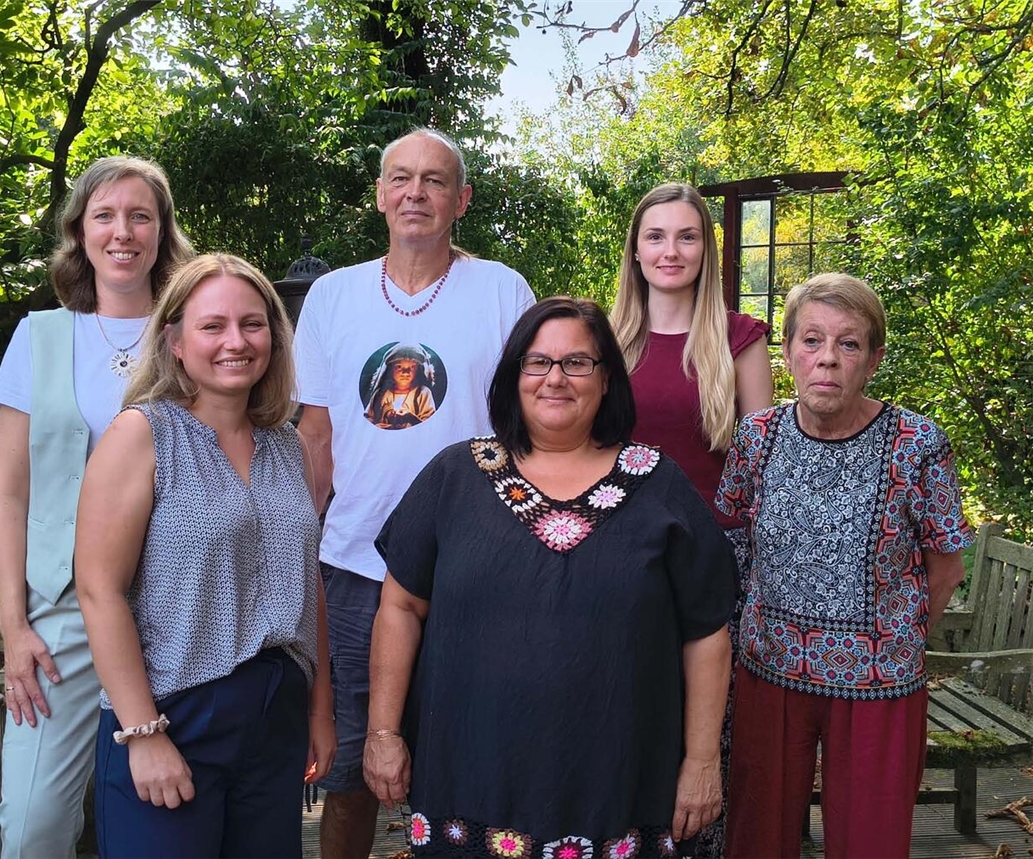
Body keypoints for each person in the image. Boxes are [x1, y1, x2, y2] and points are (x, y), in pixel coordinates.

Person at [363, 297, 737, 856]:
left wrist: (703, 761)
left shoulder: (658, 484)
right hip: (470, 782)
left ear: (606, 378)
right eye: (537, 363)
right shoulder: (455, 476)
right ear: (514, 376)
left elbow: (707, 633)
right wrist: (383, 733)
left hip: (622, 791)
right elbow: (400, 608)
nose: (555, 378)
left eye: (577, 363)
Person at [293, 126, 535, 857]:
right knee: (353, 771)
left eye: (434, 180)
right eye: (401, 177)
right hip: (356, 564)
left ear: (461, 199)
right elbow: (315, 436)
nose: (416, 192)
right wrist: (301, 551)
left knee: (470, 756)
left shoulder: (502, 289)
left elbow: (528, 427)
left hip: (476, 565)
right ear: (378, 195)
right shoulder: (333, 297)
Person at [73, 253, 335, 858]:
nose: (235, 341)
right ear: (176, 341)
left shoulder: (287, 445)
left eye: (252, 323)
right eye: (212, 325)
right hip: (172, 711)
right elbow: (98, 589)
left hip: (275, 710)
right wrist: (142, 735)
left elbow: (306, 582)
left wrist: (320, 710)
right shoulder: (141, 434)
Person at [718, 273, 975, 858]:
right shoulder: (757, 437)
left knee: (870, 843)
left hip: (879, 687)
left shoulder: (918, 444)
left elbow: (946, 569)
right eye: (811, 341)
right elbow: (734, 539)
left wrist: (891, 640)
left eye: (848, 344)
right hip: (769, 673)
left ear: (874, 358)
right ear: (787, 354)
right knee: (757, 837)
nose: (827, 360)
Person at [0, 155, 193, 857]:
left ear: (163, 232)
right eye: (105, 215)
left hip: (177, 610)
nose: (123, 231)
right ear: (80, 232)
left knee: (167, 815)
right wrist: (15, 626)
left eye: (141, 215)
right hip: (63, 618)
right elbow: (10, 491)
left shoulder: (193, 337)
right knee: (32, 827)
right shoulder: (39, 337)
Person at [610, 182, 773, 855]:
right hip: (614, 555)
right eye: (656, 236)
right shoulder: (604, 336)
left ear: (706, 249)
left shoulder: (738, 337)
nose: (671, 250)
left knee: (708, 735)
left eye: (686, 236)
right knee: (621, 716)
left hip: (714, 561)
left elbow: (765, 463)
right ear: (636, 250)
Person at [365, 342, 438, 428]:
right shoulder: (381, 393)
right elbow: (367, 419)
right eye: (399, 366)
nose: (405, 373)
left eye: (412, 367)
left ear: (418, 370)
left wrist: (411, 418)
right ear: (390, 369)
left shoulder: (423, 393)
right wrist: (378, 426)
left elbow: (430, 425)